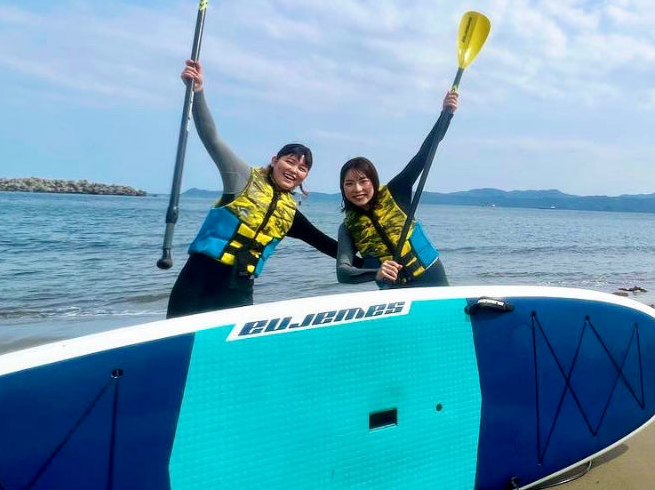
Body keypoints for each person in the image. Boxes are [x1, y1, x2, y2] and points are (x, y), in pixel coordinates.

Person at [166, 59, 340, 318]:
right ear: (274, 161)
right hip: (198, 280)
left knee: (229, 356)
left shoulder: (289, 215)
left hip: (239, 289)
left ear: (305, 177)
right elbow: (211, 138)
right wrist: (198, 92)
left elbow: (327, 245)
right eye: (289, 161)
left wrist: (377, 262)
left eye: (302, 168)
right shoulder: (242, 178)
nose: (294, 170)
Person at [336, 91, 458, 289]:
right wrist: (376, 272)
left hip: (431, 277)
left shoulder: (395, 192)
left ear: (373, 182)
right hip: (395, 290)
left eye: (363, 181)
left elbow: (424, 154)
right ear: (343, 189)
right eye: (349, 184)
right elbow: (343, 272)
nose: (357, 189)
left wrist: (446, 114)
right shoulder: (348, 228)